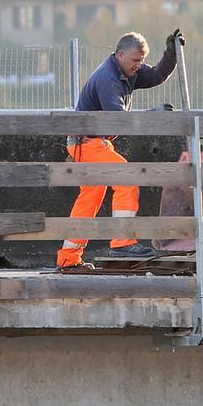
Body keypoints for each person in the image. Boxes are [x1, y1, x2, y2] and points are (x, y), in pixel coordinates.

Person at [57, 30, 184, 269]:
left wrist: (171, 54)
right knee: (127, 178)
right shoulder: (108, 78)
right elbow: (117, 119)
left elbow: (156, 75)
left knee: (88, 201)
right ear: (120, 55)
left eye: (142, 61)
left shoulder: (127, 71)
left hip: (89, 143)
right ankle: (122, 242)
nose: (139, 65)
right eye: (136, 60)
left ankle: (68, 258)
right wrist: (152, 115)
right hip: (87, 143)